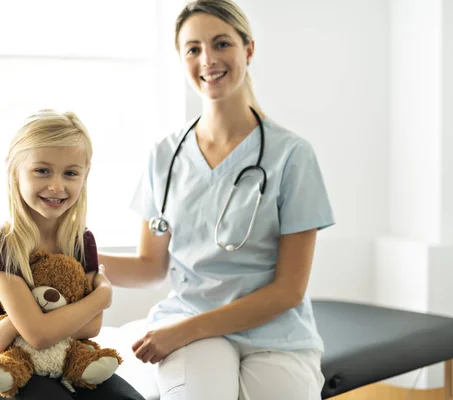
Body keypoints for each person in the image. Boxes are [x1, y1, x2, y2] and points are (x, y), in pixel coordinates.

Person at [98, 1, 335, 399]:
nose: (207, 59)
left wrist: (184, 330)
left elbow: (288, 291)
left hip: (275, 332)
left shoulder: (292, 155)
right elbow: (151, 265)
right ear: (181, 58)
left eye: (221, 43)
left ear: (249, 50)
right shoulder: (165, 156)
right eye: (193, 49)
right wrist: (74, 258)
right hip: (190, 323)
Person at [0, 110, 145, 400]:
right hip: (8, 371)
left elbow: (91, 327)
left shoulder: (80, 240)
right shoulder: (0, 243)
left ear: (85, 176)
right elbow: (39, 335)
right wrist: (101, 296)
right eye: (42, 171)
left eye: (70, 173)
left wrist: (14, 324)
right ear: (14, 170)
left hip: (69, 361)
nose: (57, 186)